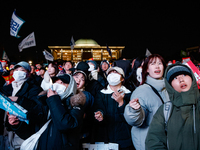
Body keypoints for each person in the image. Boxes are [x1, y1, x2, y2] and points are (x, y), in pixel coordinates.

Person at [9, 74, 86, 150]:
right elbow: (31, 133)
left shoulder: (75, 104)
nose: (57, 85)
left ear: (71, 86)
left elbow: (65, 125)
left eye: (61, 83)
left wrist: (53, 99)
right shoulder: (45, 103)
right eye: (55, 82)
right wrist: (18, 125)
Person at [145, 62, 200, 150]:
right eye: (175, 78)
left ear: (192, 78)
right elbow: (154, 142)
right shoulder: (165, 111)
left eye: (185, 75)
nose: (181, 79)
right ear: (170, 86)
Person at [124, 54, 170, 150]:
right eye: (153, 64)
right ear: (147, 69)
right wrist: (135, 110)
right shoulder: (141, 91)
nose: (157, 66)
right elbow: (135, 121)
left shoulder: (169, 89)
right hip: (148, 142)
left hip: (166, 141)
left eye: (160, 63)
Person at [0, 61, 43, 150]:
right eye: (16, 69)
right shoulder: (7, 87)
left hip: (22, 128)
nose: (18, 72)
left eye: (22, 70)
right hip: (5, 127)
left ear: (28, 73)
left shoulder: (34, 88)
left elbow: (36, 106)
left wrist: (18, 99)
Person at [94, 66, 134, 150]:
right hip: (105, 138)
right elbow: (98, 107)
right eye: (110, 73)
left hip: (124, 138)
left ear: (122, 78)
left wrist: (121, 103)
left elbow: (130, 118)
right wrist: (100, 115)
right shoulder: (101, 93)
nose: (112, 75)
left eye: (116, 73)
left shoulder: (129, 94)